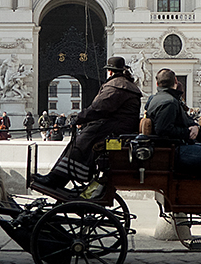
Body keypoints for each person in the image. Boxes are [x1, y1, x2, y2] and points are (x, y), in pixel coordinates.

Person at [32, 56, 142, 190]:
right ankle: (56, 177)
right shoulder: (125, 85)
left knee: (80, 142)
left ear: (111, 72)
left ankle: (57, 178)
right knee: (80, 138)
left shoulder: (116, 86)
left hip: (114, 130)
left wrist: (77, 119)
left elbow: (97, 108)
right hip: (120, 129)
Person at [145, 68, 201, 179]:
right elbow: (162, 130)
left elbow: (186, 122)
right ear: (176, 81)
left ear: (157, 84)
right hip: (176, 150)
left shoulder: (156, 99)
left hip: (174, 148)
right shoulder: (169, 102)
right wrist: (187, 132)